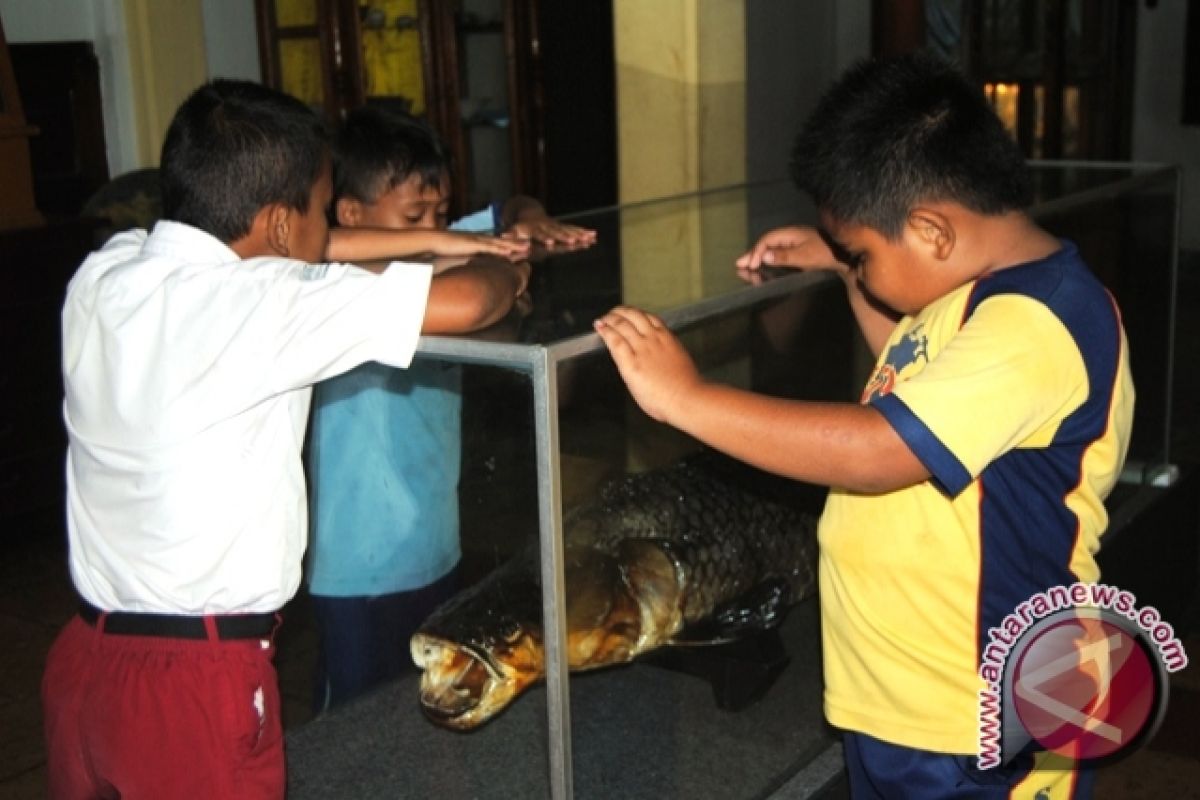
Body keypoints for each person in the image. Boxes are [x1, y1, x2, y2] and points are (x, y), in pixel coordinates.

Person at [594, 53, 1134, 799]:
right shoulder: (972, 292)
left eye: (864, 250)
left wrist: (684, 396)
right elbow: (912, 371)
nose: (860, 266)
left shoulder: (1037, 325)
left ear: (931, 231)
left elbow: (880, 449)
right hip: (906, 701)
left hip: (982, 713)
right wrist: (850, 266)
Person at [42, 79, 530, 799]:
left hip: (85, 660)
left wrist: (436, 238)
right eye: (318, 208)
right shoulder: (266, 303)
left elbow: (319, 246)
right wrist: (500, 262)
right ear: (276, 228)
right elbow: (471, 301)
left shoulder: (106, 271)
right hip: (193, 688)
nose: (326, 232)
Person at [305, 104, 596, 712]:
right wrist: (494, 267)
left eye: (439, 214)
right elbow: (471, 288)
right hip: (360, 568)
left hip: (436, 544)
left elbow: (509, 211)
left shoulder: (440, 246)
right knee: (353, 728)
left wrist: (531, 219)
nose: (436, 227)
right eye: (415, 218)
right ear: (351, 214)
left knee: (423, 710)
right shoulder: (334, 283)